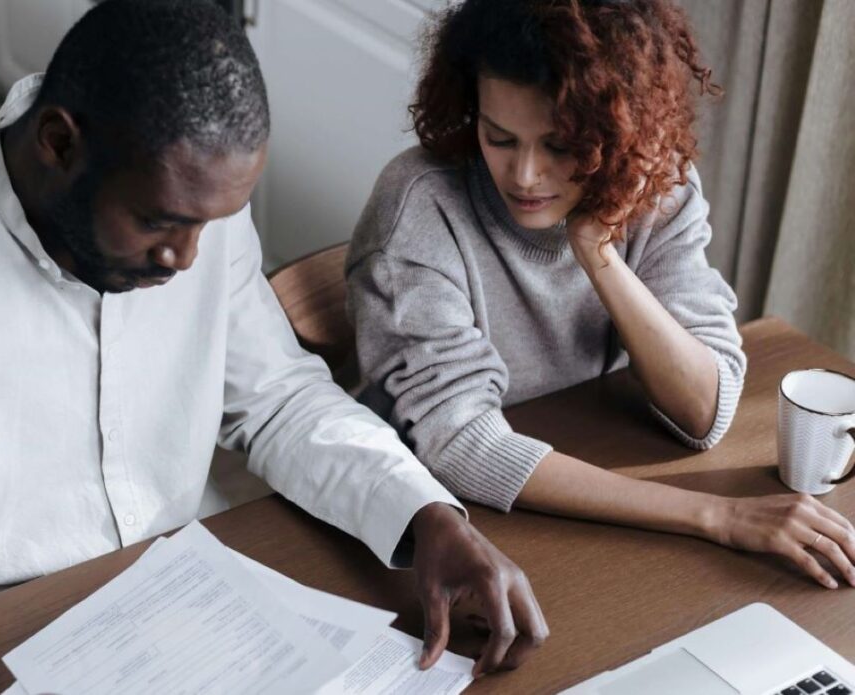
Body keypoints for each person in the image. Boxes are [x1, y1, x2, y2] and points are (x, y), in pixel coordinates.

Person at [0, 2, 548, 692]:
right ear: (58, 143)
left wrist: (425, 516)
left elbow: (278, 401)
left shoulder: (191, 204)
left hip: (188, 606)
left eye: (211, 225)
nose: (185, 258)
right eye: (159, 223)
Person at [347, 0, 855, 594]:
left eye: (560, 146)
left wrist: (598, 253)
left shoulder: (653, 181)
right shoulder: (420, 208)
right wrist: (715, 515)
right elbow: (461, 443)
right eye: (499, 137)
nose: (525, 176)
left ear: (617, 129)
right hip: (438, 527)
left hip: (587, 489)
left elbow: (705, 410)